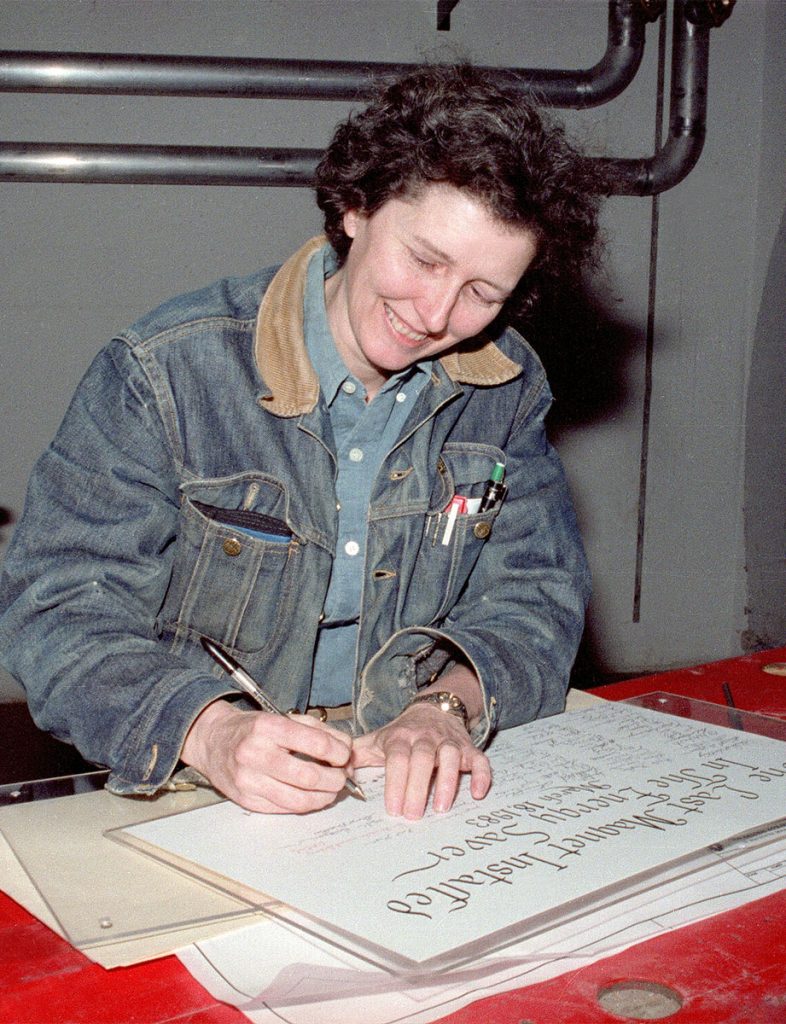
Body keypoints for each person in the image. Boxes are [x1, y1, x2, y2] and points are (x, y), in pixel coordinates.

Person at [0, 64, 603, 820]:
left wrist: (443, 709)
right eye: (425, 260)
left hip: (405, 790)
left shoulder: (505, 388)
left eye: (484, 293)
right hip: (186, 783)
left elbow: (537, 597)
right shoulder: (165, 372)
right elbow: (55, 609)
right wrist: (210, 731)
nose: (437, 313)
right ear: (355, 207)